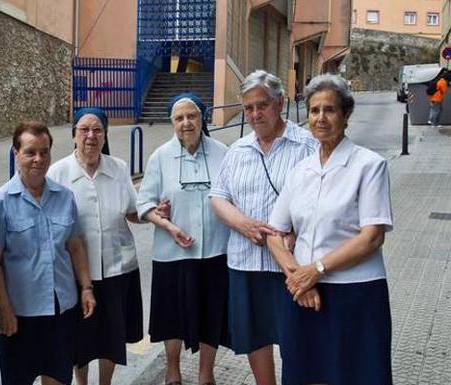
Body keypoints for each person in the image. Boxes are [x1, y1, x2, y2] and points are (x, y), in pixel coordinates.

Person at [266, 73, 393, 385]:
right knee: (305, 373)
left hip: (355, 294)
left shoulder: (369, 165)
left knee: (355, 374)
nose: (320, 118)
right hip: (302, 294)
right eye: (314, 110)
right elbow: (274, 232)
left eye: (330, 110)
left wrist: (317, 270)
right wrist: (298, 275)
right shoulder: (300, 170)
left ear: (346, 115)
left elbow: (372, 236)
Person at [209, 70, 317, 385]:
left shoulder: (307, 146)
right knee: (255, 336)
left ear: (280, 103)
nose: (256, 114)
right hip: (244, 262)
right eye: (249, 108)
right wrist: (241, 223)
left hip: (292, 265)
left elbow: (320, 200)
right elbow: (218, 197)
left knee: (296, 336)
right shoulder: (238, 150)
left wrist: (296, 234)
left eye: (263, 105)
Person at [0, 121, 96, 385]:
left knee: (57, 377)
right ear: (16, 154)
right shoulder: (0, 203)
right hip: (19, 314)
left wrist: (86, 288)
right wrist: (3, 307)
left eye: (44, 152)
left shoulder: (65, 197)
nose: (38, 159)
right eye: (30, 152)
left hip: (61, 309)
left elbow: (75, 245)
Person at [136, 93, 230, 385]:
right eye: (179, 118)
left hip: (215, 250)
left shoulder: (223, 153)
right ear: (172, 122)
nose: (186, 123)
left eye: (192, 116)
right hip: (172, 252)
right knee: (171, 316)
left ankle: (206, 373)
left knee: (211, 313)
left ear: (203, 118)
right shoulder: (160, 157)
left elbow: (233, 198)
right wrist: (165, 222)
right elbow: (144, 206)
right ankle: (173, 371)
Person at [47, 108, 143, 385]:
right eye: (84, 130)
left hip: (118, 267)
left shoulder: (119, 168)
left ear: (105, 135)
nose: (91, 136)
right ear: (74, 135)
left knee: (111, 336)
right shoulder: (58, 172)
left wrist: (155, 213)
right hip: (76, 272)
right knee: (81, 338)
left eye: (97, 130)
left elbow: (132, 212)